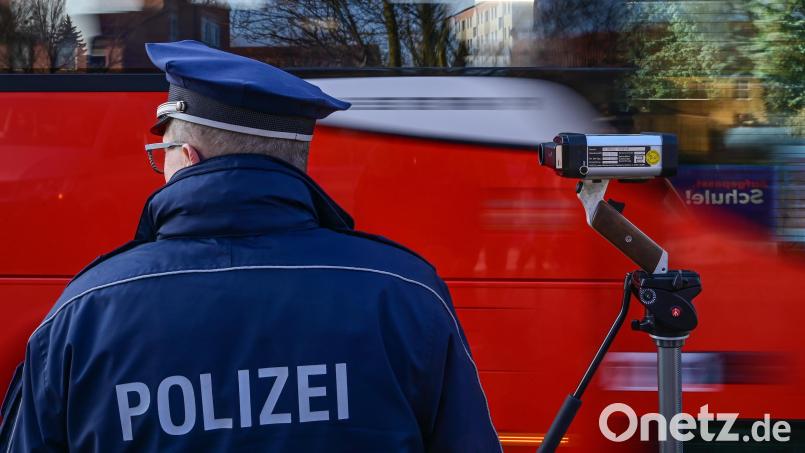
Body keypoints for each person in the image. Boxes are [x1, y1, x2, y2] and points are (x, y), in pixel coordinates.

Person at [0, 40, 501, 452]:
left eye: (162, 154)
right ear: (296, 162)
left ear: (189, 159)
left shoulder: (84, 313)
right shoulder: (406, 295)